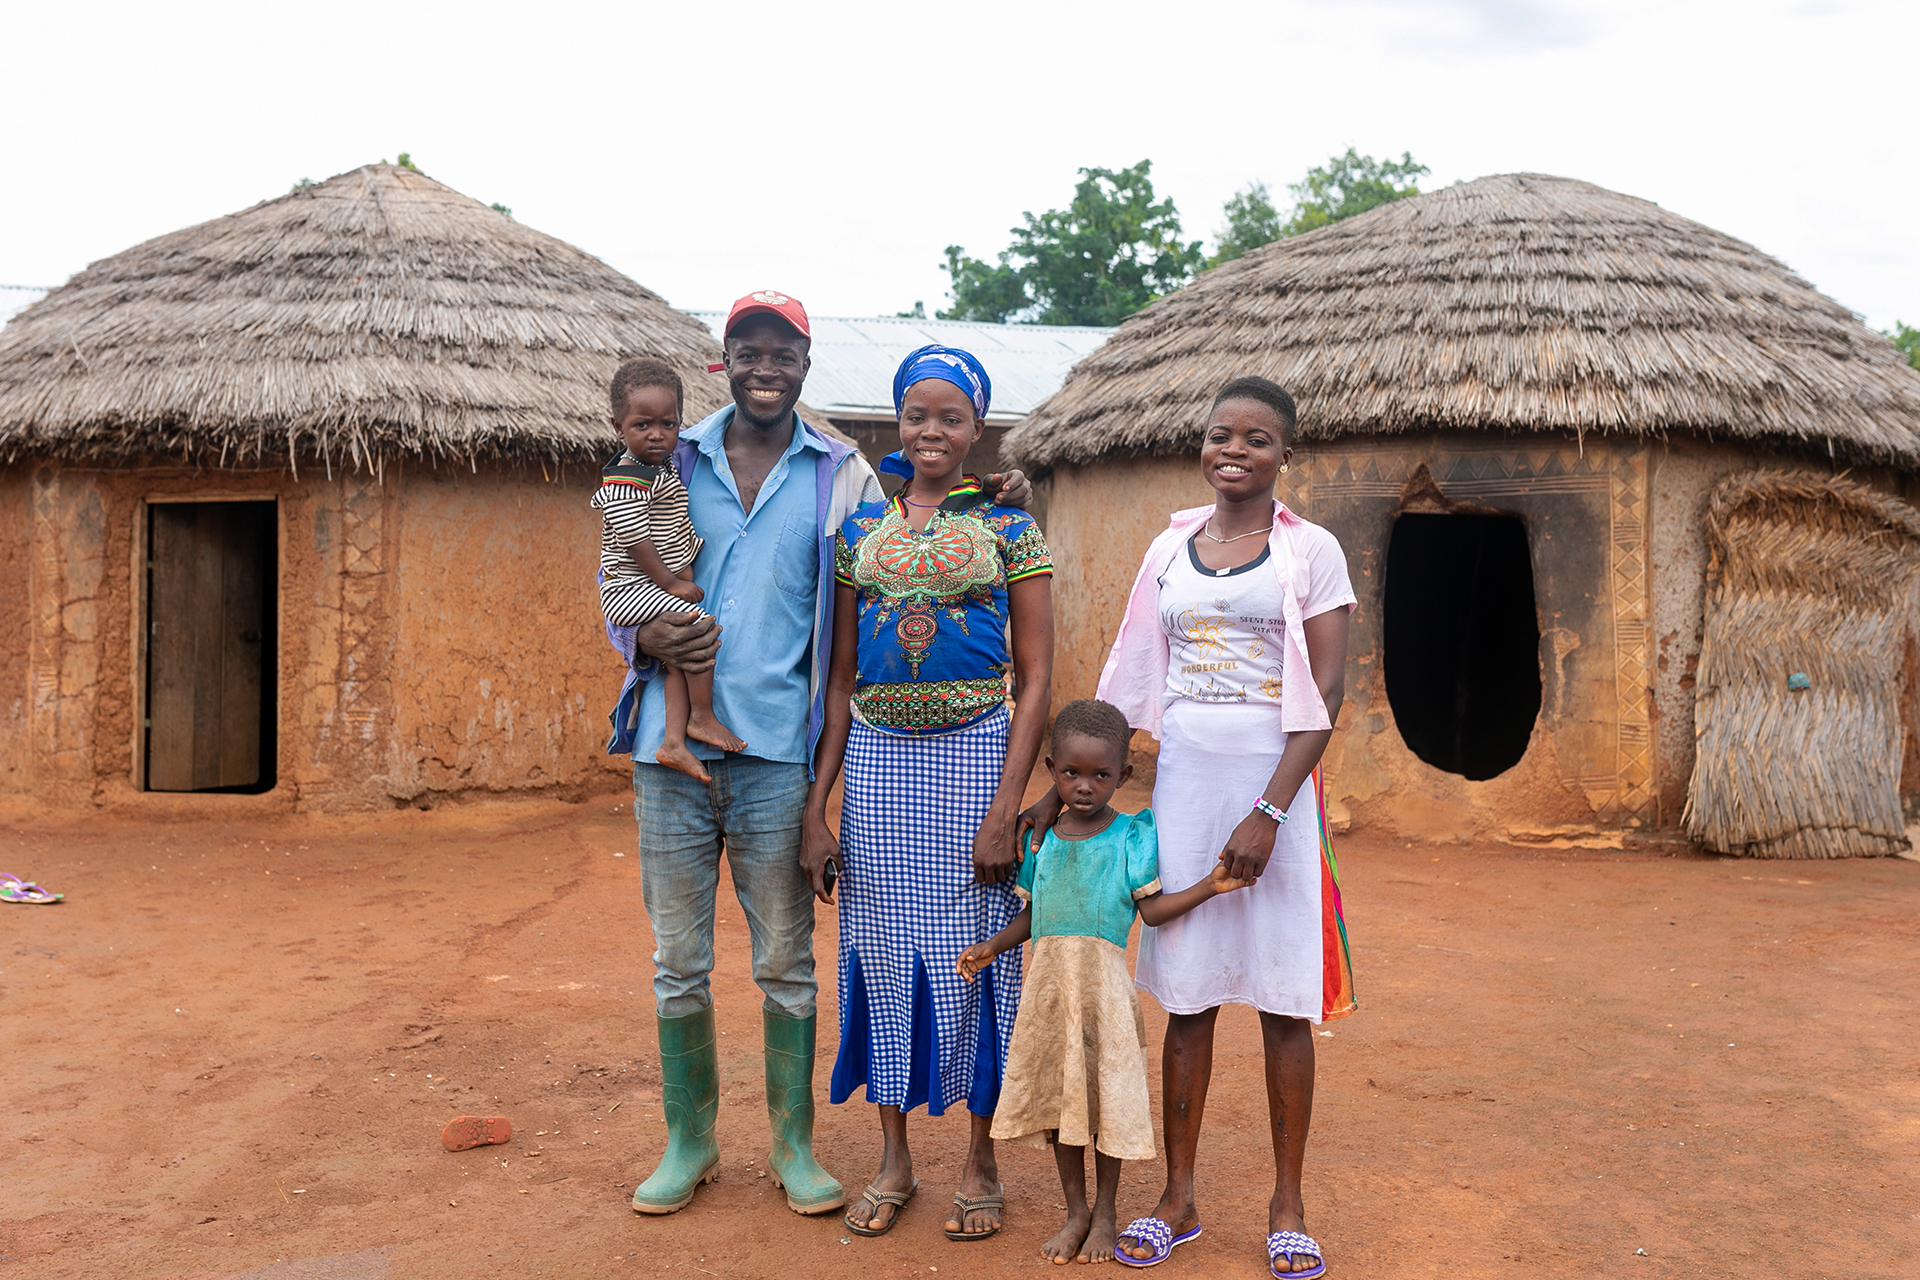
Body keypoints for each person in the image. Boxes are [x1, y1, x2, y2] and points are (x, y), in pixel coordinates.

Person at [603, 295, 1033, 1218]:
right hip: (665, 749)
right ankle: (691, 1143)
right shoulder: (666, 455)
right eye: (748, 352)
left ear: (805, 364)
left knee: (786, 962)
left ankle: (794, 1148)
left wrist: (1007, 494)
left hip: (779, 755)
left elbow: (898, 563)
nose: (766, 369)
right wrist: (645, 642)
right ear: (724, 359)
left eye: (783, 355)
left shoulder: (840, 474)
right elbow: (617, 580)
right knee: (678, 957)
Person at [1023, 377, 1356, 1277]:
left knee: (1284, 1000)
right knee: (1188, 996)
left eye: (1256, 439)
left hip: (1273, 785)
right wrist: (1061, 792)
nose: (1233, 451)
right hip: (1184, 788)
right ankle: (1179, 1196)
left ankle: (1288, 1202)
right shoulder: (1169, 549)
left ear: (1286, 453)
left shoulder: (1311, 550)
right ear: (1202, 447)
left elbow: (1326, 693)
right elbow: (1131, 681)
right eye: (1220, 436)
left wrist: (1271, 811)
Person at [800, 344, 1053, 1243]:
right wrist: (815, 809)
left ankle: (981, 1160)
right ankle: (895, 1157)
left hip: (977, 759)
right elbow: (836, 686)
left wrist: (1003, 807)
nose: (932, 431)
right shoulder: (860, 535)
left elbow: (1036, 677)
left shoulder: (1012, 530)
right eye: (917, 415)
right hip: (875, 766)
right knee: (878, 953)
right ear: (897, 423)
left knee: (980, 955)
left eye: (951, 417)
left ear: (977, 427)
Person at [958, 698, 1249, 1266]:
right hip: (1048, 994)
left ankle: (1108, 1212)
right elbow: (1033, 914)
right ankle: (1076, 1213)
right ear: (1051, 770)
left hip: (1104, 997)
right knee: (1065, 1108)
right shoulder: (1040, 841)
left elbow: (1156, 910)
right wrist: (992, 946)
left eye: (1100, 775)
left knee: (1105, 1104)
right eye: (1071, 773)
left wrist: (1210, 887)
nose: (1084, 786)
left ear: (1124, 775)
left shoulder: (1131, 838)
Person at [593, 357, 746, 782]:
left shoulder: (658, 468)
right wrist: (671, 582)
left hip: (648, 583)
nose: (657, 434)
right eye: (642, 425)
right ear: (617, 426)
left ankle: (674, 740)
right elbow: (634, 537)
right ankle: (702, 714)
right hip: (631, 587)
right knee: (697, 628)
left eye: (668, 424)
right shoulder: (625, 477)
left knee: (675, 657)